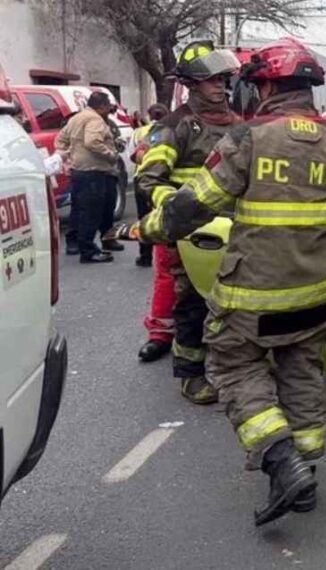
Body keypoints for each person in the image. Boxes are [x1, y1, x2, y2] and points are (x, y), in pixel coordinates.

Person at [119, 37, 326, 525]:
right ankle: (305, 471)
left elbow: (193, 207)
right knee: (301, 366)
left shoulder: (248, 138)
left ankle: (281, 461)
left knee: (233, 366)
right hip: (319, 292)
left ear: (267, 87)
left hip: (254, 295)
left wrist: (144, 229)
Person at [134, 42, 240, 399]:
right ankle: (191, 374)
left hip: (234, 230)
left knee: (233, 301)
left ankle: (231, 366)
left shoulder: (238, 125)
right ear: (193, 84)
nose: (220, 86)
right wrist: (177, 210)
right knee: (192, 302)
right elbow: (150, 178)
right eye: (212, 80)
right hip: (192, 234)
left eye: (223, 79)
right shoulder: (174, 126)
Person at [55, 92, 120, 263]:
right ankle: (88, 250)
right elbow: (92, 142)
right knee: (91, 212)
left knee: (81, 209)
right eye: (108, 107)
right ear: (103, 106)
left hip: (80, 171)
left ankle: (79, 245)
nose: (109, 110)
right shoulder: (95, 119)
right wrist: (110, 155)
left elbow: (60, 139)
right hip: (93, 171)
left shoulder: (77, 118)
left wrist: (68, 158)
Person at [131, 103, 171, 268]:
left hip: (142, 178)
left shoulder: (140, 132)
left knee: (144, 218)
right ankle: (167, 257)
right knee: (165, 218)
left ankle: (145, 256)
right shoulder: (173, 130)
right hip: (165, 179)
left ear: (149, 115)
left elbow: (132, 154)